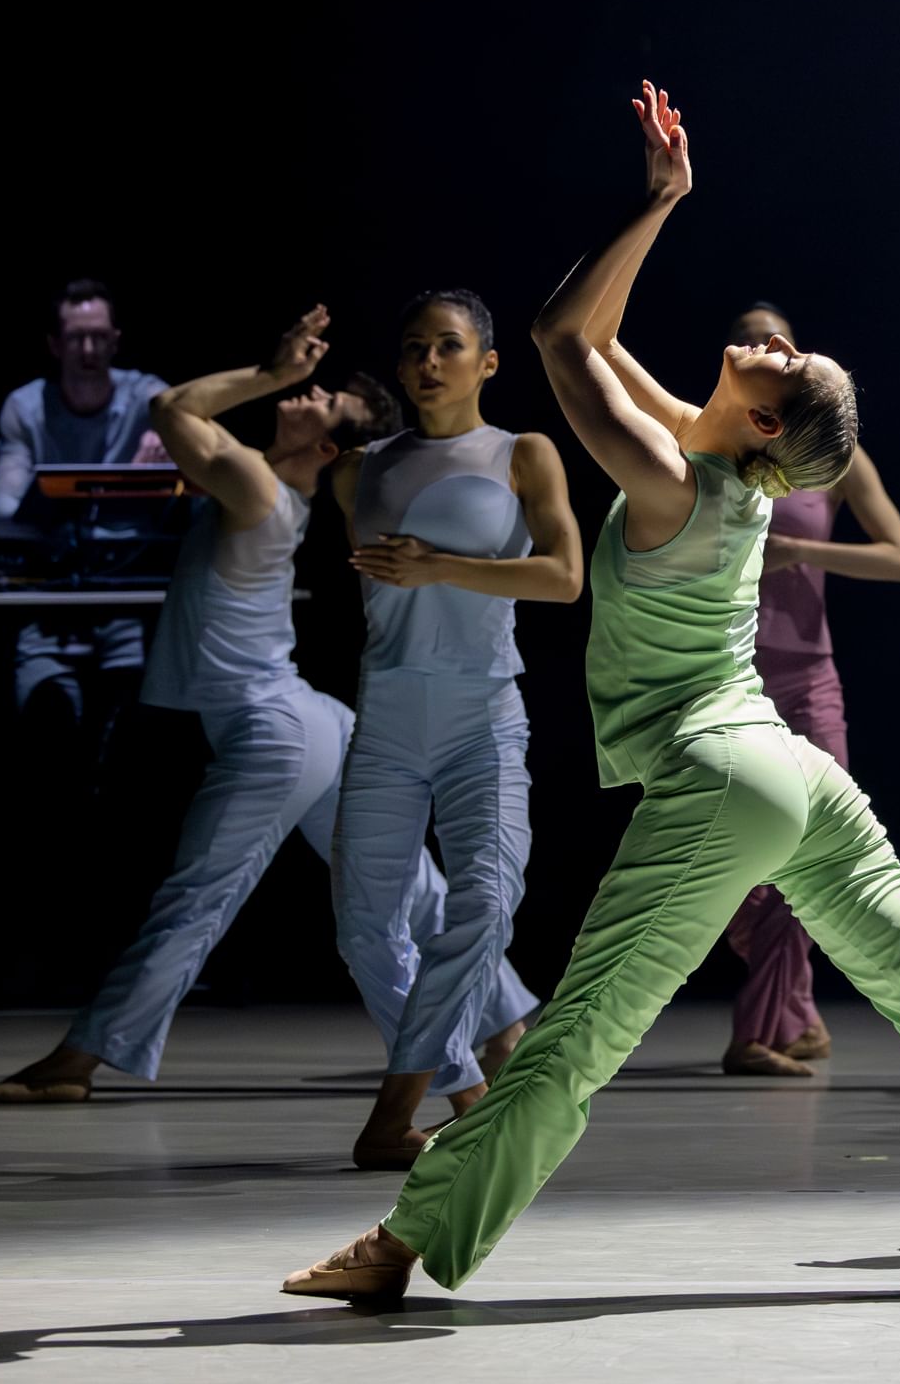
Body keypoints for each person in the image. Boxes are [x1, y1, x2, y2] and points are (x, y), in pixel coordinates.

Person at [282, 81, 900, 1301]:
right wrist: (661, 205)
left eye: (788, 365)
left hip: (724, 775)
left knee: (584, 1028)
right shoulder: (710, 461)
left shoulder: (674, 477)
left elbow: (553, 341)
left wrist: (657, 202)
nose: (774, 343)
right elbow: (593, 343)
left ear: (761, 420)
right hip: (791, 772)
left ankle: (404, 1243)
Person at [0, 308, 537, 1101]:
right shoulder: (267, 487)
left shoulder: (259, 486)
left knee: (200, 894)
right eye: (304, 389)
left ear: (328, 448)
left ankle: (79, 1061)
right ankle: (504, 1017)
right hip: (309, 719)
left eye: (321, 401)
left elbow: (171, 410)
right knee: (412, 889)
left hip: (272, 729)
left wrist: (272, 372)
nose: (305, 394)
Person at [329, 288, 582, 1168]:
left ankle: (392, 1117)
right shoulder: (358, 469)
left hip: (481, 710)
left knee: (483, 902)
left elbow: (562, 577)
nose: (428, 362)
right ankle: (465, 1088)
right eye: (413, 348)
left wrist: (440, 564)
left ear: (488, 362)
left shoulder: (523, 453)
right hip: (389, 715)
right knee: (364, 926)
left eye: (448, 346)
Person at [719, 300, 900, 1077]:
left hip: (808, 675)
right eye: (747, 342)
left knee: (808, 845)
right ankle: (795, 1012)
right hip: (731, 673)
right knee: (736, 866)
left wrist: (800, 548)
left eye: (780, 343)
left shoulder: (835, 457)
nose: (765, 351)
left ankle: (757, 1032)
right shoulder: (721, 444)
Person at [0, 280, 169, 999]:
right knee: (46, 739)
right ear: (56, 345)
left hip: (126, 606)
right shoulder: (28, 407)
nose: (88, 350)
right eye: (76, 338)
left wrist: (168, 450)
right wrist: (108, 487)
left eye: (101, 337)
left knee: (128, 765)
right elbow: (3, 513)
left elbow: (199, 475)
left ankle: (119, 956)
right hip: (50, 607)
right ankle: (39, 947)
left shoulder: (151, 396)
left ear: (114, 342)